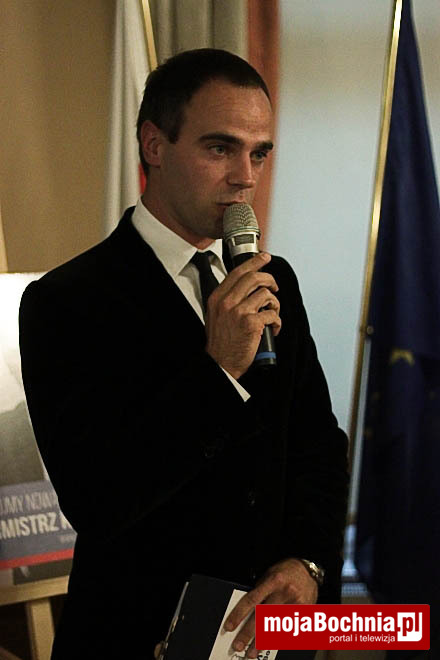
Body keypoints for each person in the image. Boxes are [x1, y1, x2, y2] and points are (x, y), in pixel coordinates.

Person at [19, 49, 349, 659]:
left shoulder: (273, 278)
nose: (245, 177)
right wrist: (216, 372)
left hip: (269, 637)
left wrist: (308, 563)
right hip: (135, 636)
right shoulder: (67, 301)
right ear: (154, 144)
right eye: (221, 148)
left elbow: (318, 446)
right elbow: (99, 500)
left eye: (259, 153)